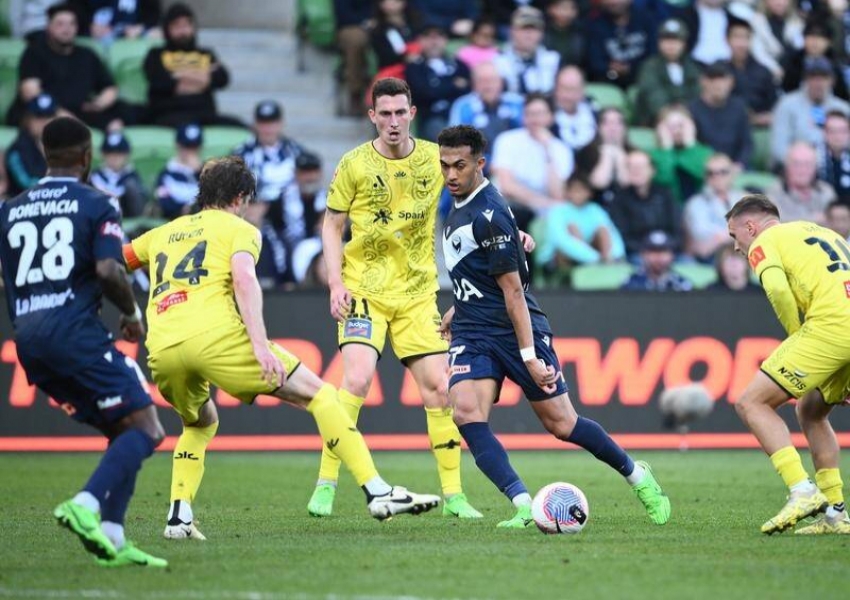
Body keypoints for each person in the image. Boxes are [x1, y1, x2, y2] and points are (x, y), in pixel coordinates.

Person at [122, 156, 442, 538]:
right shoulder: (240, 230)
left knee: (199, 422)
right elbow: (243, 280)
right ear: (240, 198)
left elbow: (114, 262)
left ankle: (178, 516)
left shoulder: (161, 233)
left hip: (162, 347)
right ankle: (378, 491)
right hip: (215, 338)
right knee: (322, 396)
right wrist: (260, 346)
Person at [436, 124, 671, 527]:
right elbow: (480, 267)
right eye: (445, 166)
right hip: (474, 331)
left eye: (460, 165)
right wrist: (461, 305)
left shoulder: (489, 212)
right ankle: (524, 505)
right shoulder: (461, 202)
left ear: (480, 163)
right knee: (465, 412)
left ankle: (639, 476)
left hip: (516, 328)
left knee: (562, 424)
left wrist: (528, 357)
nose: (451, 175)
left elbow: (513, 291)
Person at [305, 78, 482, 520]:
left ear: (412, 113)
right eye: (384, 114)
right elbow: (331, 225)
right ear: (372, 117)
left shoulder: (432, 158)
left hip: (418, 292)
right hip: (364, 289)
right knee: (358, 380)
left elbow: (478, 197)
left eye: (400, 112)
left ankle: (454, 496)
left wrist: (510, 232)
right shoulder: (354, 164)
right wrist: (335, 283)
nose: (393, 122)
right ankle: (326, 483)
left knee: (441, 388)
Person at [0, 116, 167, 567]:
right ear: (87, 156)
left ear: (45, 155)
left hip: (29, 342)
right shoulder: (97, 203)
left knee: (122, 431)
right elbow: (110, 270)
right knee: (149, 428)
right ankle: (87, 503)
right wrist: (132, 314)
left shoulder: (9, 208)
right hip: (75, 333)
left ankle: (112, 536)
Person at [726, 194, 850, 534]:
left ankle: (802, 490)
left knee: (751, 403)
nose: (737, 247)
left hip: (829, 328)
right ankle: (836, 513)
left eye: (735, 236)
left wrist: (798, 336)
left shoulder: (764, 241)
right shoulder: (825, 233)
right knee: (811, 412)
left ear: (750, 226)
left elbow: (779, 291)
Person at [9, 3, 128, 130]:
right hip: (43, 112)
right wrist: (60, 113)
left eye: (72, 24)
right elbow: (30, 91)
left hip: (78, 112)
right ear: (48, 26)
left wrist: (98, 105)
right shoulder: (34, 53)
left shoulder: (87, 55)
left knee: (118, 118)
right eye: (60, 24)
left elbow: (109, 88)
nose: (67, 29)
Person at [143, 2, 241, 127]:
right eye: (177, 26)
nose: (183, 31)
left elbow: (223, 79)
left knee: (240, 128)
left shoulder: (205, 54)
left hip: (205, 114)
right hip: (168, 114)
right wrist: (202, 78)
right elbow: (159, 82)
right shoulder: (156, 54)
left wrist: (178, 76)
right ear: (167, 30)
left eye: (187, 25)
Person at [490, 93, 573, 232]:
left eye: (540, 114)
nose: (534, 119)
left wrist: (547, 151)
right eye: (529, 114)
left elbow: (558, 194)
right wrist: (544, 203)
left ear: (551, 117)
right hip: (511, 206)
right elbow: (507, 186)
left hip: (546, 211)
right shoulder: (507, 140)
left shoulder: (561, 149)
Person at [770, 56, 850, 167]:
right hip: (793, 169)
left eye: (823, 77)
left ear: (832, 81)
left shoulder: (843, 109)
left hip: (835, 169)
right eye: (813, 77)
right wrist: (805, 165)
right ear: (805, 80)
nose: (818, 83)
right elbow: (778, 148)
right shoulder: (787, 104)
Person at [609, 149, 682, 259]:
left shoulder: (666, 195)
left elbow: (677, 230)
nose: (636, 170)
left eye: (641, 166)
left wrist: (664, 250)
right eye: (631, 166)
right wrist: (649, 252)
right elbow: (621, 236)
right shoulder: (619, 199)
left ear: (652, 170)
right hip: (637, 254)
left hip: (668, 251)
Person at [404, 22, 471, 141]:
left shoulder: (460, 65)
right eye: (428, 37)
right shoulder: (414, 67)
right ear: (420, 40)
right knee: (448, 137)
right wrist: (453, 84)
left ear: (446, 40)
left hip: (462, 115)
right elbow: (423, 93)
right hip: (432, 118)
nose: (434, 42)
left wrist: (437, 85)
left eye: (439, 36)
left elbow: (468, 90)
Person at [633, 18, 701, 127]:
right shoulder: (650, 66)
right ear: (659, 43)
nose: (671, 45)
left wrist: (686, 111)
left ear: (684, 44)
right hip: (654, 121)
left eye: (676, 40)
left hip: (690, 118)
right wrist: (668, 113)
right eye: (666, 40)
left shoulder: (693, 66)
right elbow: (652, 93)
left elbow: (697, 92)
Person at [234, 100, 304, 205]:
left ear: (281, 123)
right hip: (254, 210)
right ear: (255, 124)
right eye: (263, 123)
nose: (268, 128)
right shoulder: (241, 154)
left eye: (272, 122)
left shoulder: (295, 151)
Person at [688, 60, 753, 168]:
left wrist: (739, 164)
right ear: (703, 81)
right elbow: (692, 146)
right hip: (705, 167)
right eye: (712, 79)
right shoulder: (692, 110)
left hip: (737, 167)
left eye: (723, 79)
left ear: (731, 82)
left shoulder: (739, 107)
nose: (718, 85)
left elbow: (747, 143)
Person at [683, 153, 745, 262]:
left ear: (732, 174)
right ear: (705, 177)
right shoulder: (695, 204)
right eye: (710, 173)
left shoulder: (745, 199)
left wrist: (723, 236)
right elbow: (702, 242)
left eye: (723, 172)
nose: (717, 177)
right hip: (711, 258)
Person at [493, 6, 561, 95]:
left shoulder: (553, 60)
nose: (529, 34)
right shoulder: (498, 62)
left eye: (534, 29)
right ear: (512, 31)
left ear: (542, 33)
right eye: (524, 28)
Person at [767, 141, 836, 224]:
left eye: (807, 164)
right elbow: (775, 223)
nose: (802, 170)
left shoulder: (826, 191)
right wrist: (814, 220)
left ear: (815, 168)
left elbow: (835, 223)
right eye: (796, 164)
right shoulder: (774, 192)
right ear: (787, 166)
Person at [726, 17, 778, 127]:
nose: (741, 43)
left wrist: (759, 118)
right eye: (736, 37)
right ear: (727, 40)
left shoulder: (764, 72)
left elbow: (775, 108)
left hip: (759, 128)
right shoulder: (719, 71)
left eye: (746, 38)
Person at [4, 94, 56, 197]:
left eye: (48, 117)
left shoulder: (62, 146)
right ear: (28, 119)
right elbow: (26, 182)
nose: (44, 122)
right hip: (22, 204)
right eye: (39, 117)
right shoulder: (17, 149)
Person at [90, 131, 147, 218]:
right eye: (110, 154)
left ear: (127, 155)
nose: (114, 158)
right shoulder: (95, 176)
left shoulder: (132, 176)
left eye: (119, 154)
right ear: (103, 155)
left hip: (129, 224)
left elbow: (139, 208)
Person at [155, 123, 202, 220]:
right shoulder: (167, 174)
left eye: (194, 148)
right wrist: (182, 210)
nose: (190, 152)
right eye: (186, 147)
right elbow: (164, 203)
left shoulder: (206, 172)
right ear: (178, 145)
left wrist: (199, 172)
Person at [621, 230, 693, 291]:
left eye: (663, 251)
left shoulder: (681, 285)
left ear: (672, 255)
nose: (659, 257)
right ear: (643, 254)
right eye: (653, 251)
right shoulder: (631, 283)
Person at [817, 110, 850, 201]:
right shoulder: (813, 158)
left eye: (842, 131)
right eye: (832, 131)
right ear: (824, 133)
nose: (837, 136)